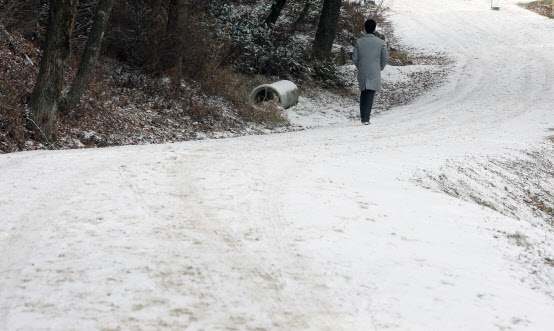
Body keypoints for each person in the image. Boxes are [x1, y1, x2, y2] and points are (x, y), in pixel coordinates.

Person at [352, 19, 389, 125]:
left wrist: (360, 66)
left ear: (365, 28)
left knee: (363, 92)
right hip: (374, 70)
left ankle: (363, 116)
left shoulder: (359, 42)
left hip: (362, 70)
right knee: (370, 93)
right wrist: (379, 67)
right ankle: (366, 118)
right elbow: (385, 57)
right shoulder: (380, 42)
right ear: (374, 28)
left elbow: (355, 58)